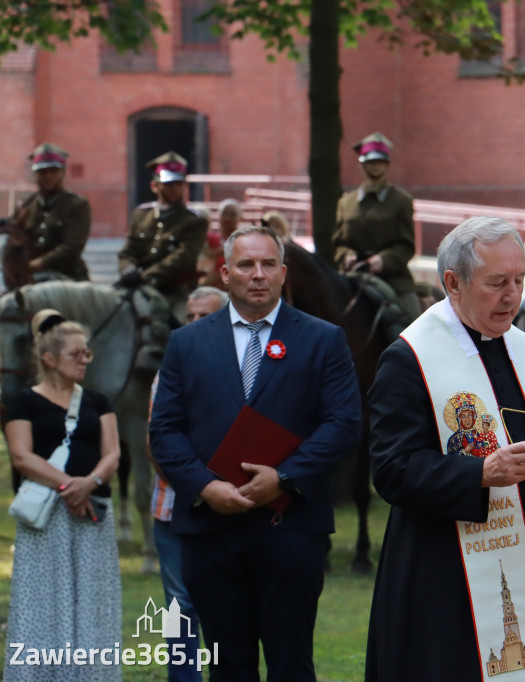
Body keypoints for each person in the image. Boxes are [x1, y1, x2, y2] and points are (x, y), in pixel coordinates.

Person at [365, 216, 525, 681]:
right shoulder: (410, 359)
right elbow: (391, 469)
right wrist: (479, 473)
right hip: (441, 570)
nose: (512, 295)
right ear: (453, 282)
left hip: (523, 560)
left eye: (520, 280)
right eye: (496, 283)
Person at [149, 224, 361, 681]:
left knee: (291, 664)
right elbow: (164, 430)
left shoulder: (324, 339)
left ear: (284, 273)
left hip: (291, 530)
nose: (258, 274)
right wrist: (205, 486)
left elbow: (344, 424)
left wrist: (283, 477)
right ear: (225, 274)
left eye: (268, 264)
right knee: (228, 666)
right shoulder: (186, 343)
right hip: (211, 529)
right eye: (246, 264)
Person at [3, 310, 120, 680]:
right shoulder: (22, 401)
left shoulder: (99, 400)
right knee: (42, 599)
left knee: (93, 598)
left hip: (93, 510)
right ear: (48, 359)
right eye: (76, 354)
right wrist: (71, 487)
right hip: (45, 515)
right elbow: (22, 456)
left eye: (87, 353)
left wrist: (89, 484)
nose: (84, 360)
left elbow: (112, 453)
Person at [147, 286, 228, 682]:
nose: (195, 324)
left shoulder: (245, 367)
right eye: (190, 316)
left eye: (205, 316)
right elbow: (157, 444)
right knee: (178, 609)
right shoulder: (170, 369)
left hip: (235, 506)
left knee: (226, 607)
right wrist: (199, 487)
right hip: (173, 507)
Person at [333, 132, 419, 321]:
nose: (375, 166)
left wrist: (384, 260)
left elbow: (407, 246)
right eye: (371, 162)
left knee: (413, 323)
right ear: (362, 164)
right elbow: (339, 243)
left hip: (392, 278)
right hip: (351, 275)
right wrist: (346, 256)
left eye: (380, 162)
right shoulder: (345, 203)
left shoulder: (401, 201)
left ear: (387, 164)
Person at [117, 151, 208, 322]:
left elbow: (184, 257)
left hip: (174, 292)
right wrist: (127, 269)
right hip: (135, 288)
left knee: (179, 329)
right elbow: (128, 250)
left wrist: (145, 277)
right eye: (168, 184)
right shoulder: (141, 214)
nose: (174, 188)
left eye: (178, 184)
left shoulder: (194, 221)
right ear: (155, 186)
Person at [6, 143, 91, 281]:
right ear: (35, 174)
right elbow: (15, 240)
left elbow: (72, 247)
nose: (48, 176)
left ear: (63, 172)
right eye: (43, 172)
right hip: (29, 277)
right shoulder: (25, 206)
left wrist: (38, 264)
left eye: (54, 171)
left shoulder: (77, 205)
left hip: (67, 276)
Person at [198, 198, 242, 288]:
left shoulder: (246, 241)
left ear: (240, 217)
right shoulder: (208, 239)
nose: (227, 218)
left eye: (232, 215)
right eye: (224, 213)